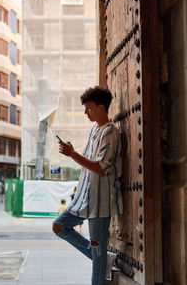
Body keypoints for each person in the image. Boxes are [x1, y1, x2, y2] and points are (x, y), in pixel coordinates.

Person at [52, 86, 123, 285]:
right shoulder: (95, 129)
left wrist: (72, 154)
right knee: (59, 226)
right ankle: (102, 258)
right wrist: (73, 153)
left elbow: (101, 168)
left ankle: (100, 259)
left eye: (89, 108)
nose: (85, 112)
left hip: (100, 204)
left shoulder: (111, 132)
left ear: (101, 107)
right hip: (84, 198)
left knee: (98, 252)